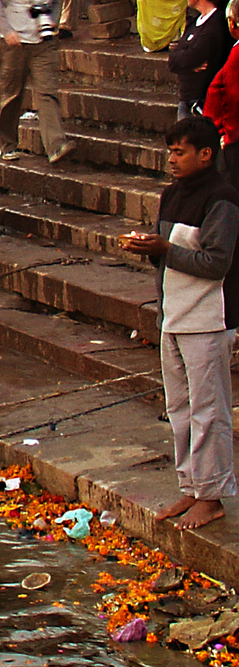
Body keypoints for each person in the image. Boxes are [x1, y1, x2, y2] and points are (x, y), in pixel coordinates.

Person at [122, 117, 239, 530]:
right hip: (174, 314)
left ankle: (213, 496)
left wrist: (165, 249)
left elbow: (216, 262)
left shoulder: (223, 199)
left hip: (208, 318)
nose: (172, 159)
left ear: (205, 154)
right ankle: (191, 486)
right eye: (170, 152)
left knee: (210, 410)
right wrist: (150, 249)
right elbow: (167, 254)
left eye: (180, 152)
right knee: (180, 409)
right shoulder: (171, 194)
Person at [0, 0, 75, 166]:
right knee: (12, 95)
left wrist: (55, 22)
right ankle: (7, 143)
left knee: (48, 93)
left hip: (44, 40)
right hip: (16, 42)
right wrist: (6, 30)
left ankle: (56, 144)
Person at [207, 0, 239, 175]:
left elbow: (233, 97)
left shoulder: (237, 55)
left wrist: (228, 135)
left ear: (232, 24)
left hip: (233, 139)